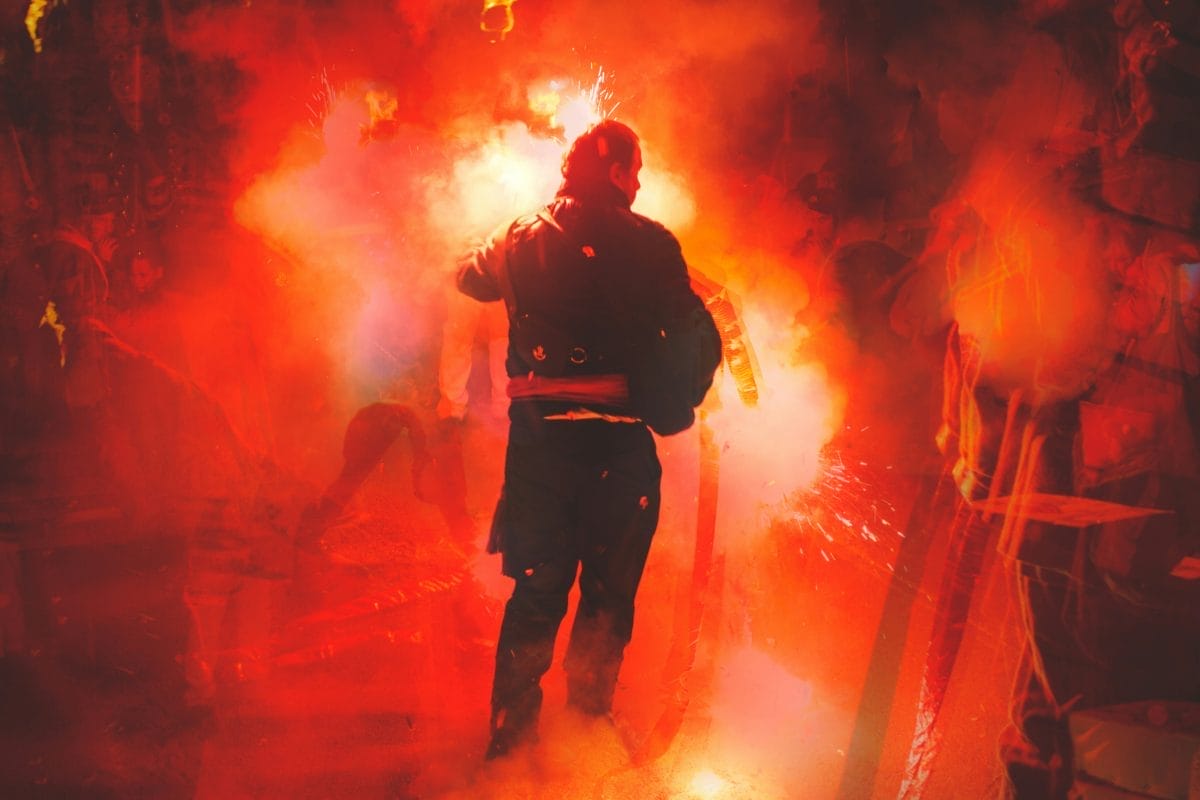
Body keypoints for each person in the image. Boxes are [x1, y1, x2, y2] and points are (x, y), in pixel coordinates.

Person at [456, 119, 720, 759]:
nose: (640, 183)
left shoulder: (515, 236)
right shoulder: (652, 243)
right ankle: (586, 730)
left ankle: (511, 743)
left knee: (536, 593)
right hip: (618, 450)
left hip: (539, 452)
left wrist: (508, 237)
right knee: (607, 597)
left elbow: (468, 277)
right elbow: (696, 340)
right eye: (636, 170)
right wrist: (670, 400)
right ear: (616, 172)